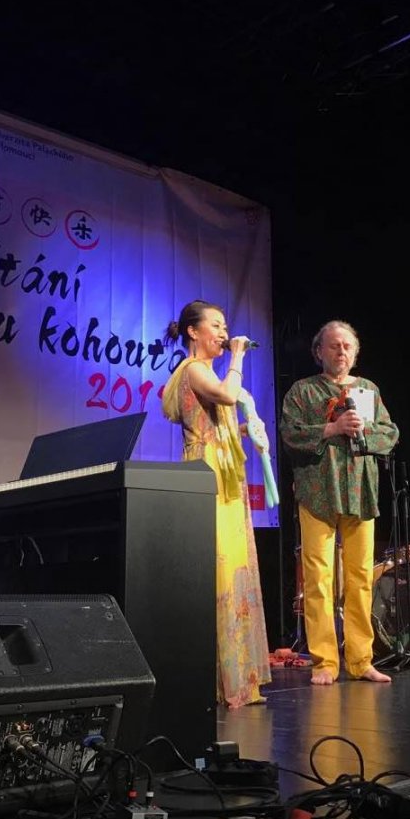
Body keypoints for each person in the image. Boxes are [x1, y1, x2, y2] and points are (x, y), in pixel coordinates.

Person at [161, 300, 272, 709]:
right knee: (220, 568)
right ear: (193, 332)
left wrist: (246, 429)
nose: (225, 334)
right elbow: (227, 395)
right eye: (217, 326)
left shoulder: (205, 371)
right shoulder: (193, 369)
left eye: (226, 327)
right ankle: (221, 679)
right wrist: (239, 356)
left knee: (235, 565)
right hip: (207, 470)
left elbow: (217, 420)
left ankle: (238, 678)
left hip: (223, 466)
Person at [279, 320, 399, 685]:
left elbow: (390, 433)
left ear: (356, 352)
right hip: (318, 491)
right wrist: (331, 429)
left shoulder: (367, 390)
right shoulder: (303, 391)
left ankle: (361, 660)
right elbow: (290, 434)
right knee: (319, 578)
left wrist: (364, 430)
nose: (341, 351)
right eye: (334, 345)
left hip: (360, 490)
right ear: (319, 352)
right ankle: (325, 662)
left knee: (360, 577)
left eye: (347, 346)